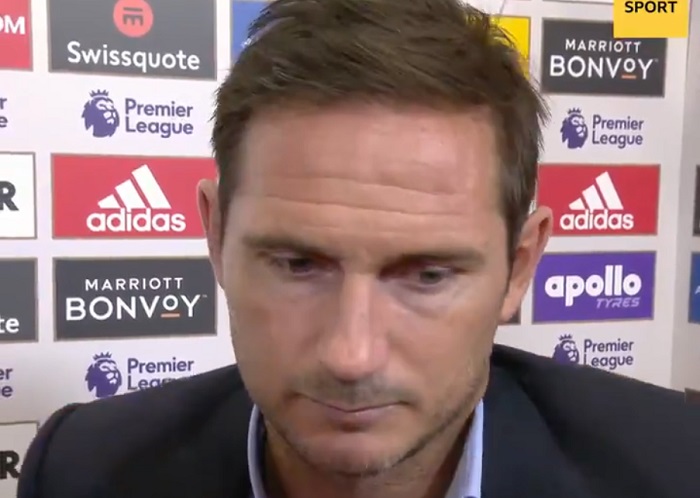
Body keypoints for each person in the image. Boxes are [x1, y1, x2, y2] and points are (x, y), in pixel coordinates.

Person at [18, 0, 700, 497]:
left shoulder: (675, 467)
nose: (351, 355)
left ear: (519, 267)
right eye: (298, 265)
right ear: (217, 236)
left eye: (427, 276)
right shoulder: (83, 470)